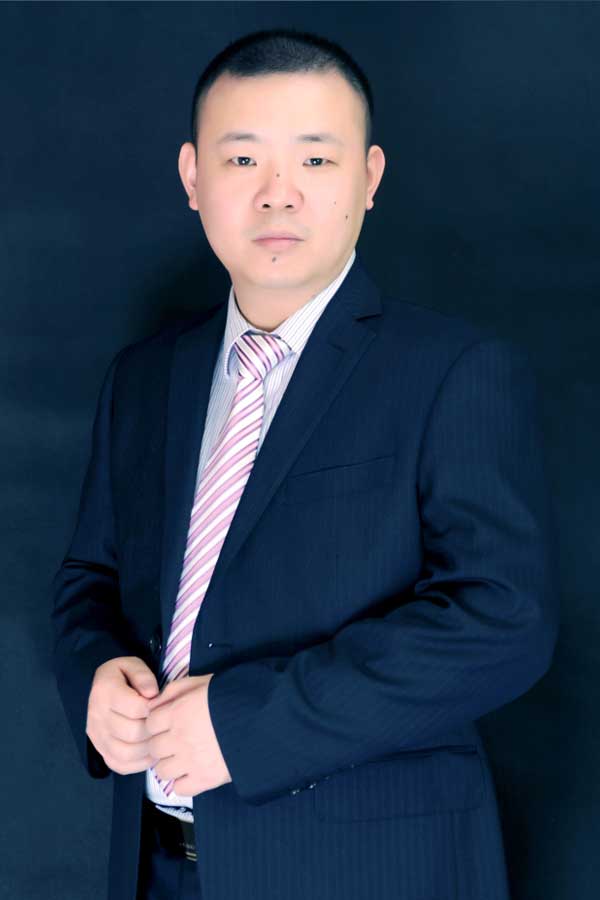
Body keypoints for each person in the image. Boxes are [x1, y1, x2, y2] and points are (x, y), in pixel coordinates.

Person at [50, 26, 560, 900]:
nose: (277, 194)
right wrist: (93, 673)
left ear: (369, 178)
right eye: (243, 159)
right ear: (193, 178)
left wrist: (246, 724)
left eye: (316, 161)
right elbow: (87, 581)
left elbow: (504, 620)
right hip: (157, 867)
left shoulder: (451, 371)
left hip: (368, 871)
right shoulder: (144, 379)